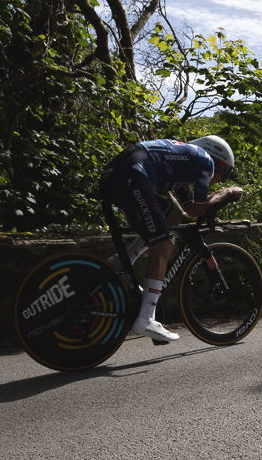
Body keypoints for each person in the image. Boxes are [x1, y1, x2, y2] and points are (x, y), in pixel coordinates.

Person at [99, 135, 243, 342]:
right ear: (218, 161)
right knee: (163, 248)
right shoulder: (206, 161)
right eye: (225, 173)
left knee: (172, 217)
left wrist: (216, 196)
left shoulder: (184, 168)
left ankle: (120, 264)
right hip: (130, 175)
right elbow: (202, 210)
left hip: (120, 174)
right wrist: (226, 192)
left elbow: (191, 210)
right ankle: (146, 318)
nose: (220, 179)